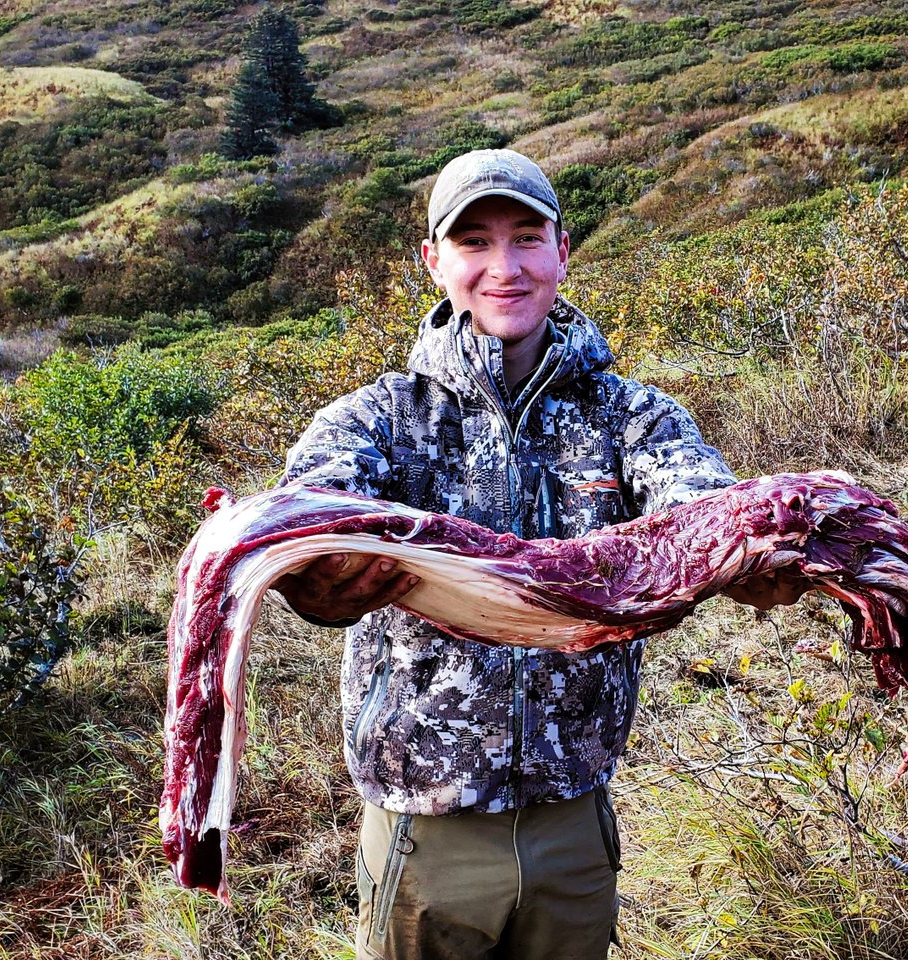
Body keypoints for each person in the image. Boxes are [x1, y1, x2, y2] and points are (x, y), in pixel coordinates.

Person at [272, 149, 801, 959]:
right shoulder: (373, 421)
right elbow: (312, 523)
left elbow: (701, 508)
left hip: (572, 823)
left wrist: (753, 558)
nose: (504, 268)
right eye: (474, 243)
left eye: (526, 238)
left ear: (562, 249)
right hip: (424, 831)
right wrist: (314, 581)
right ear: (434, 261)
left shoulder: (633, 419)